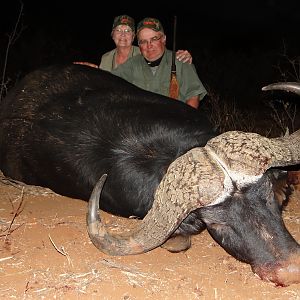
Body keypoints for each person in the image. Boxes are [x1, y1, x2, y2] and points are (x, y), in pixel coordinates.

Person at [111, 17, 207, 109]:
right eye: (143, 41)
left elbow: (193, 96)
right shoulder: (132, 64)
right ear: (139, 45)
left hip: (174, 121)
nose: (149, 45)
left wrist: (185, 121)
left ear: (164, 39)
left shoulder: (181, 61)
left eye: (154, 39)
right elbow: (109, 79)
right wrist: (95, 71)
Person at [74, 15, 193, 71]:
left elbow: (164, 60)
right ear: (112, 35)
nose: (123, 34)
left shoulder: (144, 52)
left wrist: (182, 57)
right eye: (118, 30)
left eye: (127, 30)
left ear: (133, 37)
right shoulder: (106, 58)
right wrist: (94, 71)